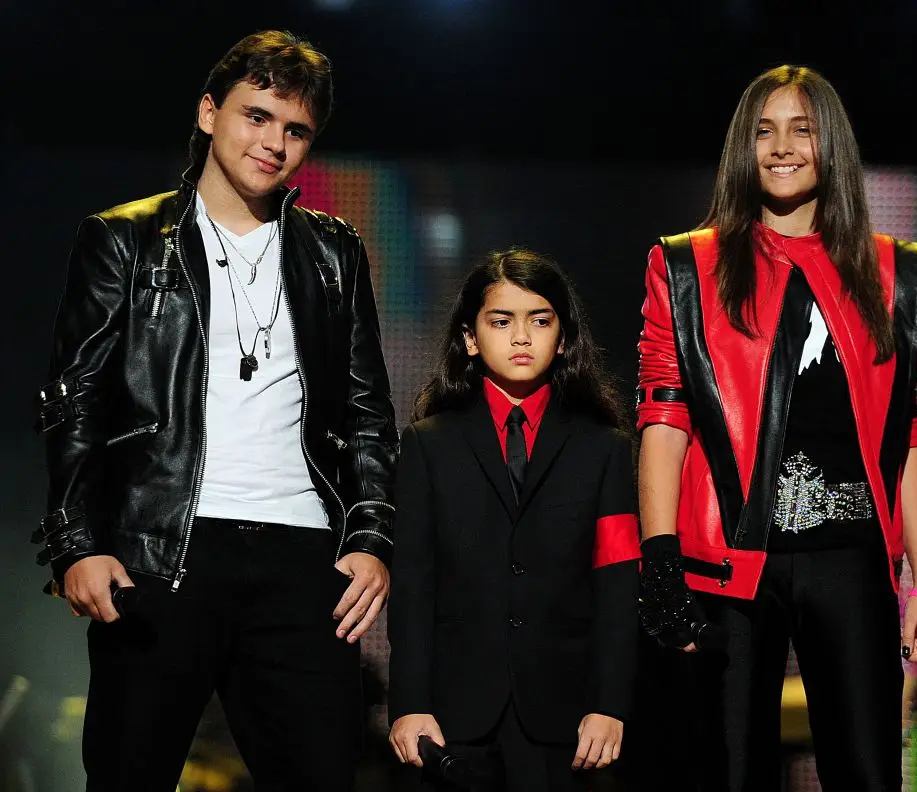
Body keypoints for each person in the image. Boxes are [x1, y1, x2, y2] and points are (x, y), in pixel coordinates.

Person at [33, 30, 398, 791]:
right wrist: (74, 542)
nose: (275, 143)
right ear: (209, 113)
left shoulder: (335, 250)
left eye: (296, 130)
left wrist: (369, 539)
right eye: (256, 116)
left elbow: (367, 410)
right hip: (163, 549)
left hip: (303, 557)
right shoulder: (126, 238)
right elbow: (77, 400)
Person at [634, 65, 917, 791]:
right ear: (744, 148)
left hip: (853, 558)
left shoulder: (893, 270)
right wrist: (659, 559)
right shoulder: (687, 266)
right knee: (732, 773)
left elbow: (907, 429)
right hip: (731, 564)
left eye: (801, 130)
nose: (781, 147)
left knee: (869, 774)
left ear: (829, 144)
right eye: (763, 131)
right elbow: (663, 418)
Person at [387, 248, 640, 792]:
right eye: (501, 322)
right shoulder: (429, 445)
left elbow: (617, 585)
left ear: (565, 336)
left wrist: (609, 704)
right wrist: (409, 704)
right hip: (454, 714)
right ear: (470, 338)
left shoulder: (606, 450)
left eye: (540, 321)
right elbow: (414, 584)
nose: (521, 338)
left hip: (567, 716)